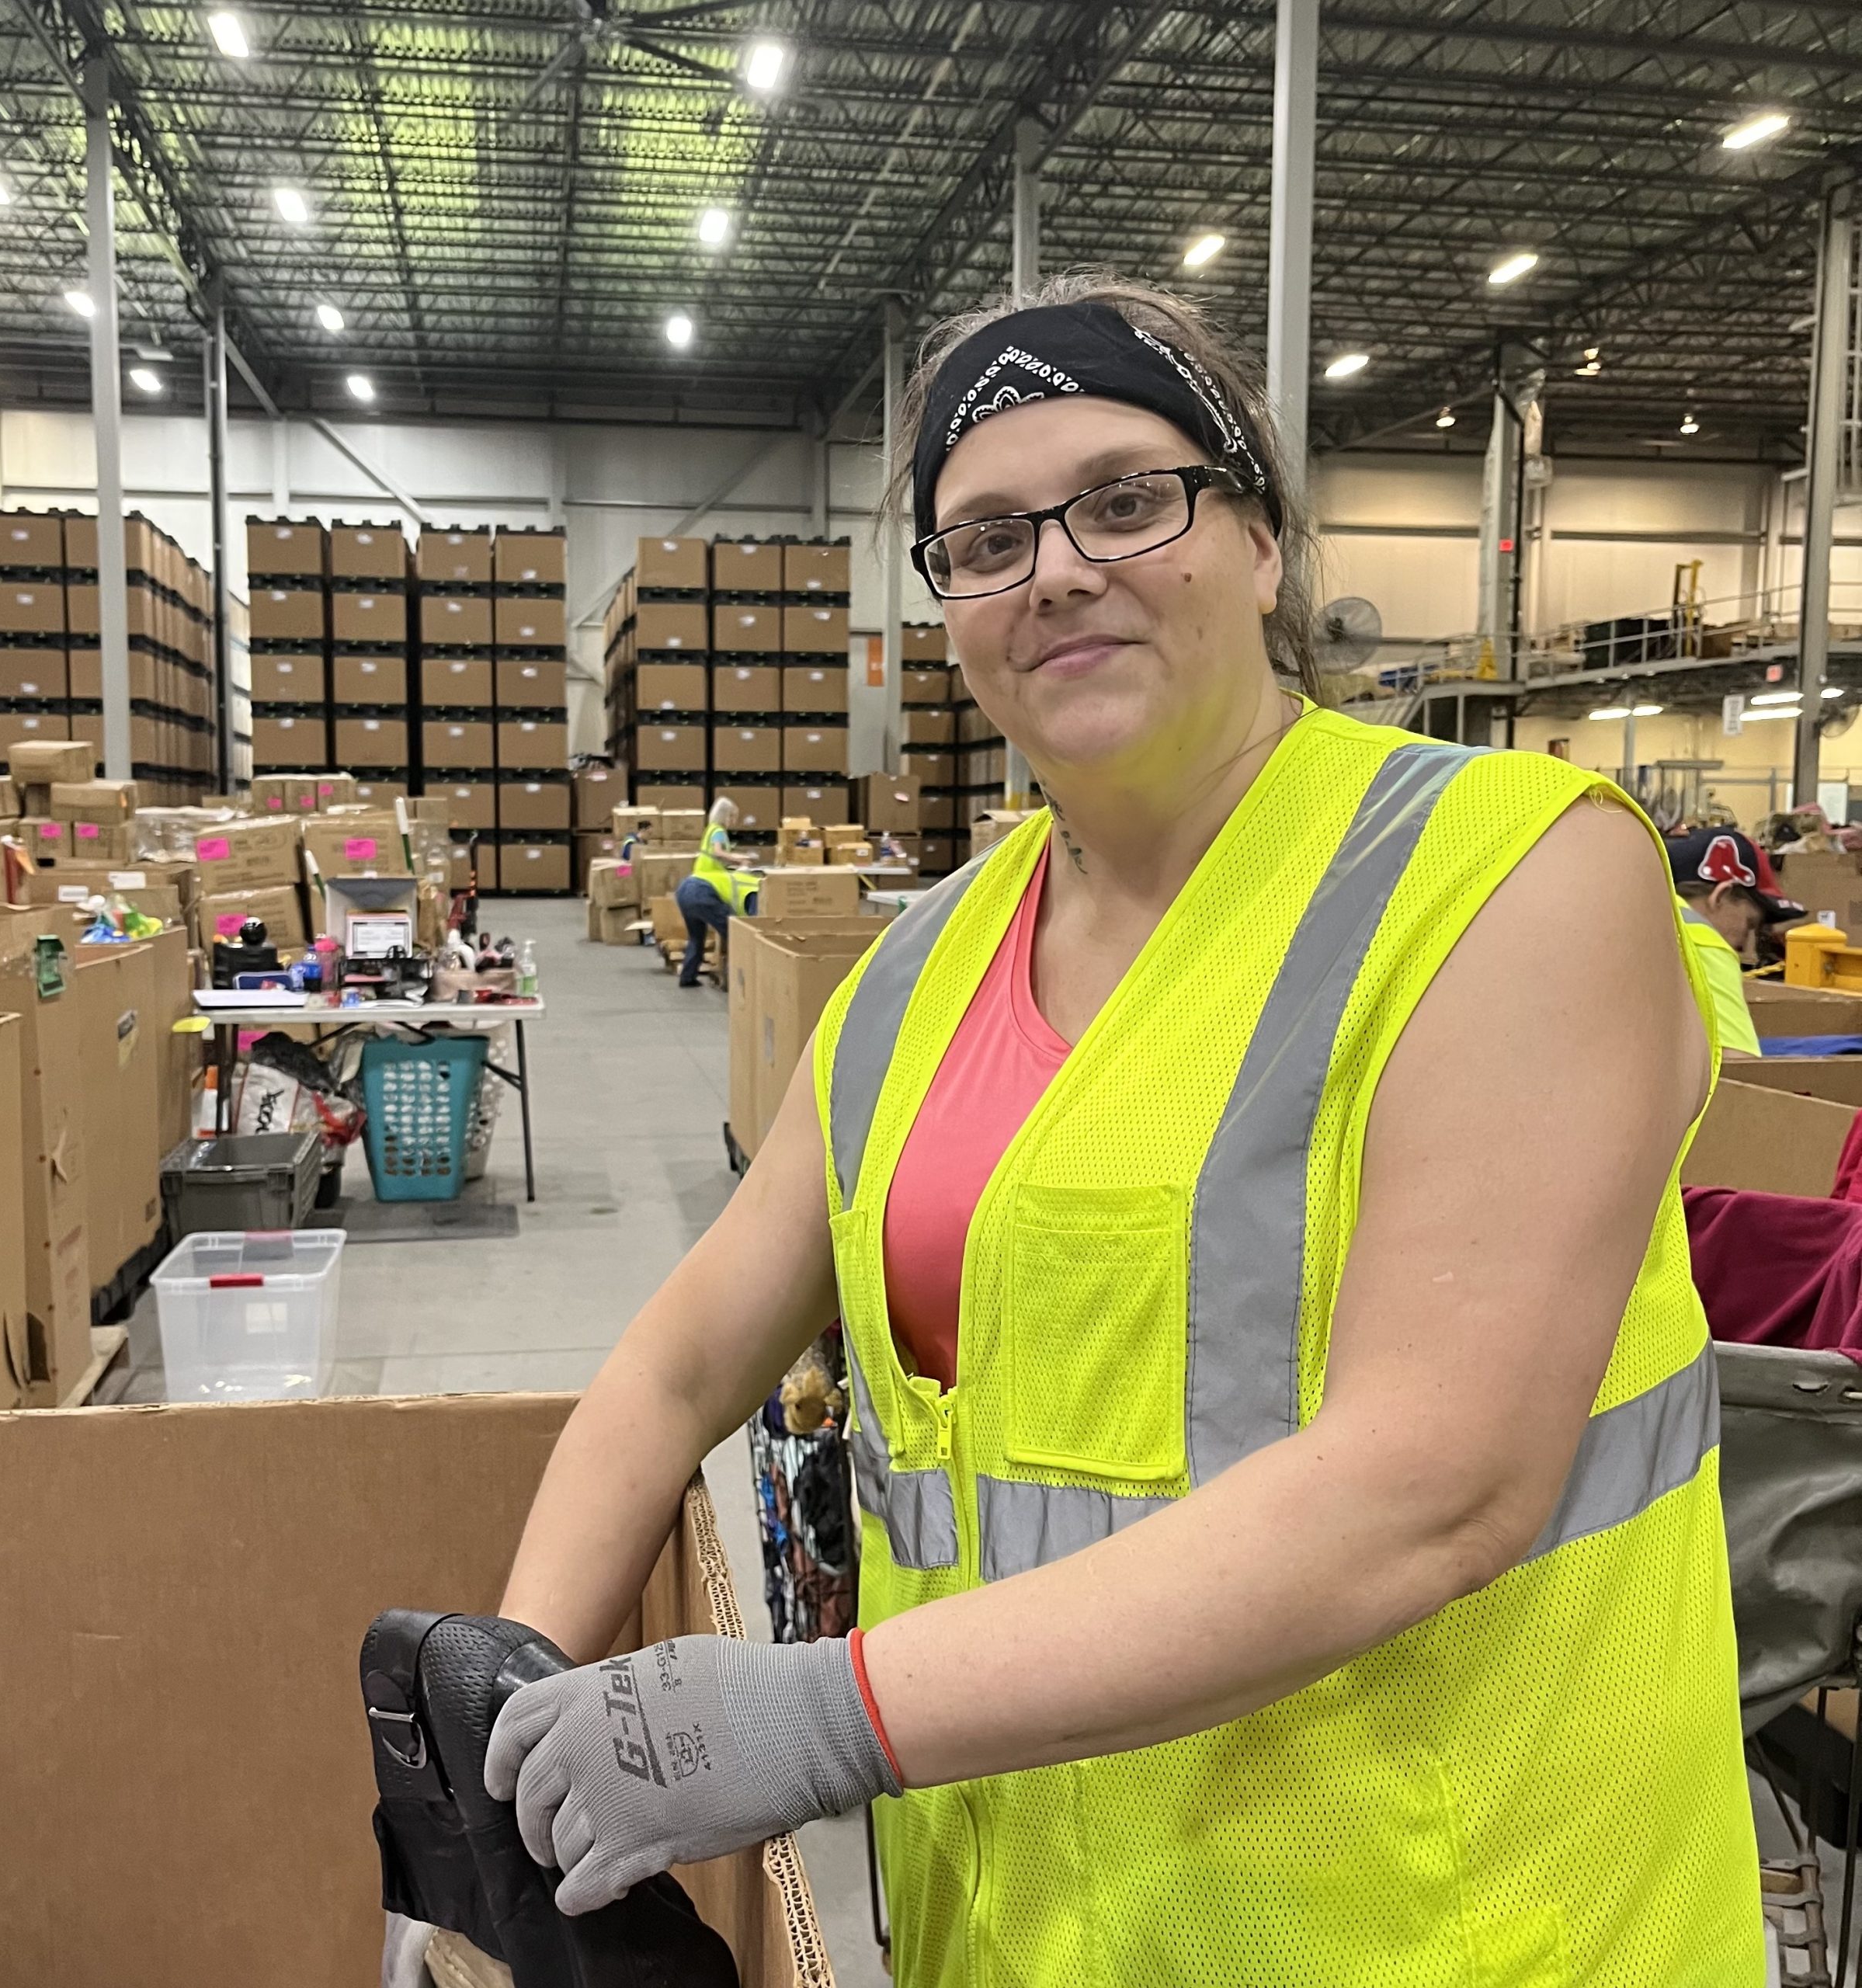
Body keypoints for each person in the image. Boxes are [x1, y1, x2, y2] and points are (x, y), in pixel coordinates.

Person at [483, 276, 1763, 1983]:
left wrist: (816, 1710)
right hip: (1026, 1932)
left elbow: (1427, 1483)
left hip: (1447, 1925)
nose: (1058, 568)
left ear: (1257, 540)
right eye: (986, 535)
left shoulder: (1509, 874)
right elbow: (678, 1358)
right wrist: (504, 1689)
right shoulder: (918, 970)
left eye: (1124, 497)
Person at [1666, 826, 1803, 1058]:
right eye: (1750, 924)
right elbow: (1739, 1066)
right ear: (1720, 897)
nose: (1744, 947)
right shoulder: (1702, 942)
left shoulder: (1632, 915)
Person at [673, 796, 757, 987]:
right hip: (702, 892)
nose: (734, 821)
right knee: (734, 931)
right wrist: (738, 859)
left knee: (696, 937)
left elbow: (713, 857)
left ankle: (688, 977)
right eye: (733, 817)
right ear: (726, 815)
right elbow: (718, 852)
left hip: (687, 887)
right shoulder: (719, 831)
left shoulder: (709, 830)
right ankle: (738, 980)